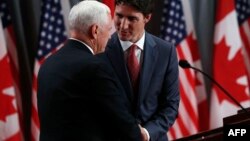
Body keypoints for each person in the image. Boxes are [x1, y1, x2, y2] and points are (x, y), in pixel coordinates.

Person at [37, 1, 142, 141]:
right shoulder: (94, 67)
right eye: (109, 29)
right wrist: (141, 134)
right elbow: (120, 121)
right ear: (95, 31)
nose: (110, 36)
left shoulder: (48, 63)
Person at [103, 0, 180, 140]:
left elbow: (170, 105)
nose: (123, 25)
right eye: (119, 16)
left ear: (147, 18)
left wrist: (147, 133)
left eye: (132, 18)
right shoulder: (100, 51)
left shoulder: (166, 51)